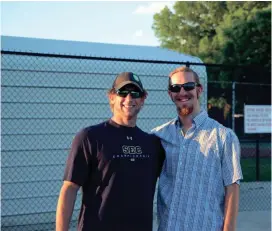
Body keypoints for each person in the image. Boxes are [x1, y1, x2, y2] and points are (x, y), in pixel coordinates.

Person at [56, 72, 165, 231]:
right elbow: (69, 188)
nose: (129, 98)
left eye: (135, 93)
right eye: (122, 92)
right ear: (112, 97)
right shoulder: (90, 137)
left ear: (143, 99)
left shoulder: (152, 144)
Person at [151, 66, 243, 231]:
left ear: (199, 90)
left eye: (188, 86)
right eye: (175, 88)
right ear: (170, 94)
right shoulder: (159, 136)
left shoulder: (224, 137)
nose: (182, 92)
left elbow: (232, 187)